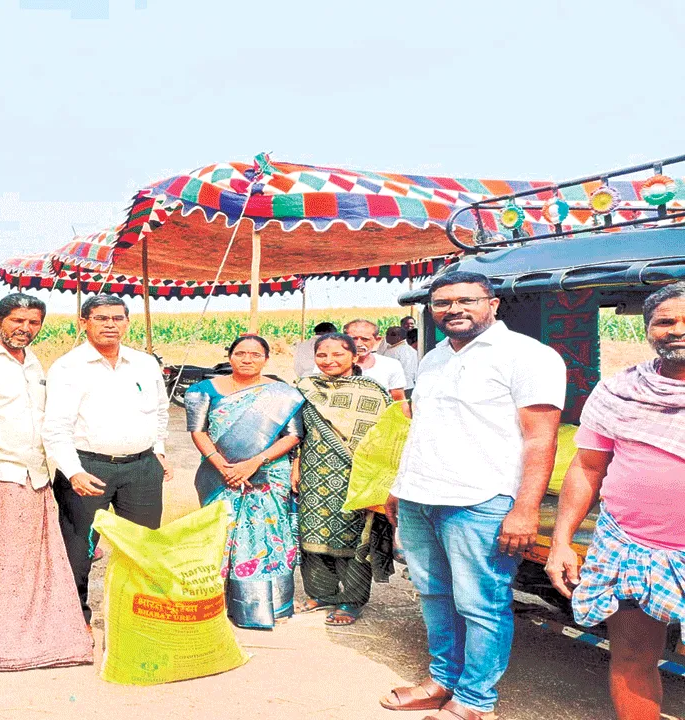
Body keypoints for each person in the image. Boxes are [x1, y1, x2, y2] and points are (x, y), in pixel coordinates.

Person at [381, 271, 566, 720]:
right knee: (432, 593)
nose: (454, 309)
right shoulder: (434, 357)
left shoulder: (527, 356)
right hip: (420, 496)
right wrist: (399, 486)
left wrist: (525, 509)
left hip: (481, 500)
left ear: (493, 303)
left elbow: (541, 440)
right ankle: (443, 679)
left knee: (480, 602)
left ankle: (475, 700)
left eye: (467, 300)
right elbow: (424, 428)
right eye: (442, 303)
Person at [546, 282, 685, 720]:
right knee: (632, 658)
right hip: (629, 547)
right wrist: (561, 541)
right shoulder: (620, 391)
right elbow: (587, 468)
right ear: (648, 330)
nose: (677, 329)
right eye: (665, 321)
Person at [0, 293, 93, 670]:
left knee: (28, 567)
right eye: (17, 321)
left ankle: (37, 640)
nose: (25, 330)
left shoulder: (33, 364)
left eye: (33, 323)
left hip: (33, 476)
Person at [43, 294, 172, 624]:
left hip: (142, 468)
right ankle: (76, 623)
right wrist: (73, 472)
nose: (110, 325)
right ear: (83, 323)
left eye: (117, 318)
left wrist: (158, 450)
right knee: (80, 550)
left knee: (142, 545)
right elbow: (56, 427)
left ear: (127, 323)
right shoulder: (68, 367)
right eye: (101, 318)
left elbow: (160, 410)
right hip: (88, 469)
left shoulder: (144, 363)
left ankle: (138, 616)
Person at [185, 335, 304, 629]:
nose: (247, 359)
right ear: (230, 356)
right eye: (240, 353)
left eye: (255, 354)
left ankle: (268, 606)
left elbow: (292, 435)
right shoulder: (203, 390)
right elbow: (198, 431)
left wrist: (255, 462)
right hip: (218, 473)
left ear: (266, 359)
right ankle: (215, 604)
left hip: (267, 474)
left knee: (266, 537)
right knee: (221, 535)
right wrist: (221, 464)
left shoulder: (282, 394)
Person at [293, 333, 394, 626]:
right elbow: (296, 432)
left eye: (337, 354)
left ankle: (351, 600)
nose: (329, 361)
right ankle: (321, 594)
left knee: (353, 537)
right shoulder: (305, 388)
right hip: (314, 472)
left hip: (357, 476)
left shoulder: (373, 392)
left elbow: (385, 438)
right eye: (322, 355)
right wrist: (295, 465)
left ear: (355, 356)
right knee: (312, 535)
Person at [343, 319, 406, 402]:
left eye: (365, 339)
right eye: (353, 339)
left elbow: (399, 401)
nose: (358, 344)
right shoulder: (330, 364)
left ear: (377, 340)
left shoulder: (391, 365)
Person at [379, 325, 419, 389]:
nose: (388, 336)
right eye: (387, 334)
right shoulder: (391, 348)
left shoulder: (405, 350)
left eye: (392, 334)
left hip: (403, 387)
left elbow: (408, 371)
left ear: (400, 337)